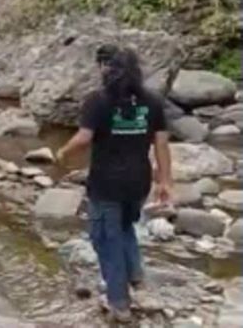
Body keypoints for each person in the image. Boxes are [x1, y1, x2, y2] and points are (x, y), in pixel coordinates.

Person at [56, 47, 172, 324]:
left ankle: (119, 303)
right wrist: (165, 181)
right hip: (139, 182)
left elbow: (84, 138)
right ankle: (136, 277)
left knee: (105, 240)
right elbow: (162, 144)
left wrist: (62, 153)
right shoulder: (153, 101)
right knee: (124, 227)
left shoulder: (98, 100)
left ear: (107, 69)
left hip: (106, 183)